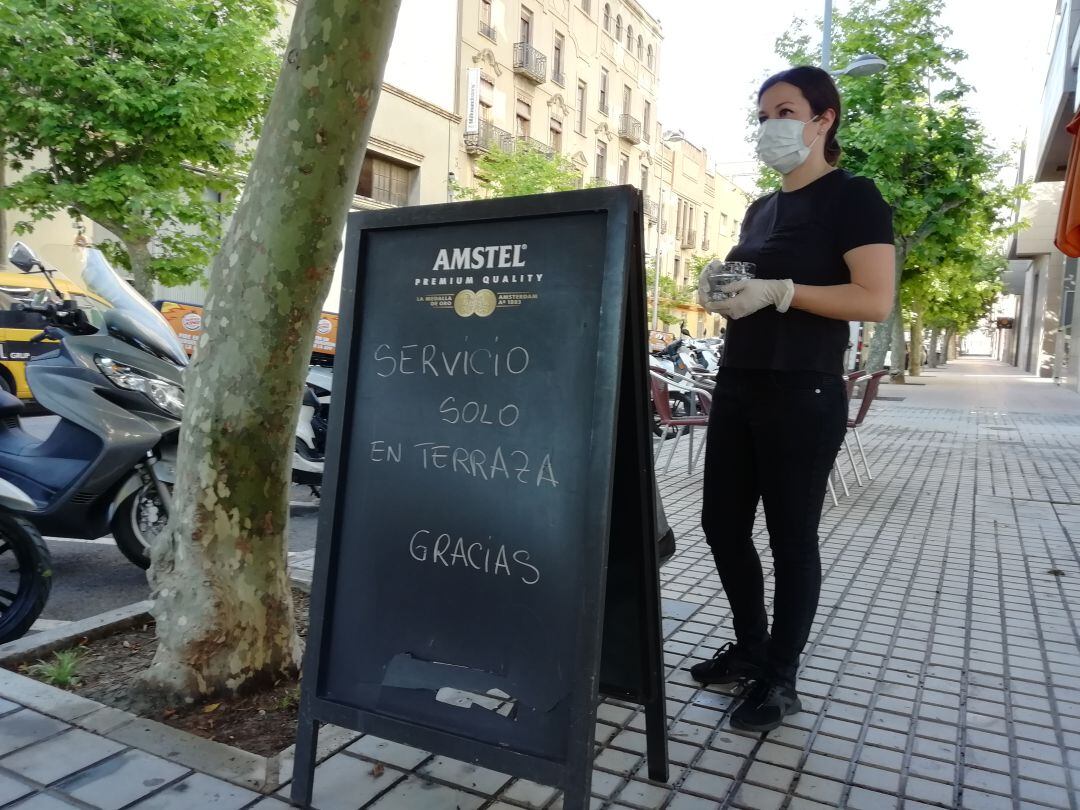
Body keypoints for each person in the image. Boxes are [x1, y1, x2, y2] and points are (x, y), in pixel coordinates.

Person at [691, 65, 895, 732]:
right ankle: (750, 649)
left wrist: (783, 291)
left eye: (783, 110)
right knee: (721, 525)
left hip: (802, 392)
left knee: (790, 537)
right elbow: (744, 289)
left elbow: (874, 297)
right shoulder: (761, 208)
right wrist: (722, 290)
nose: (769, 126)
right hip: (740, 382)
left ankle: (781, 677)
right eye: (761, 116)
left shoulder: (853, 198)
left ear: (823, 118)